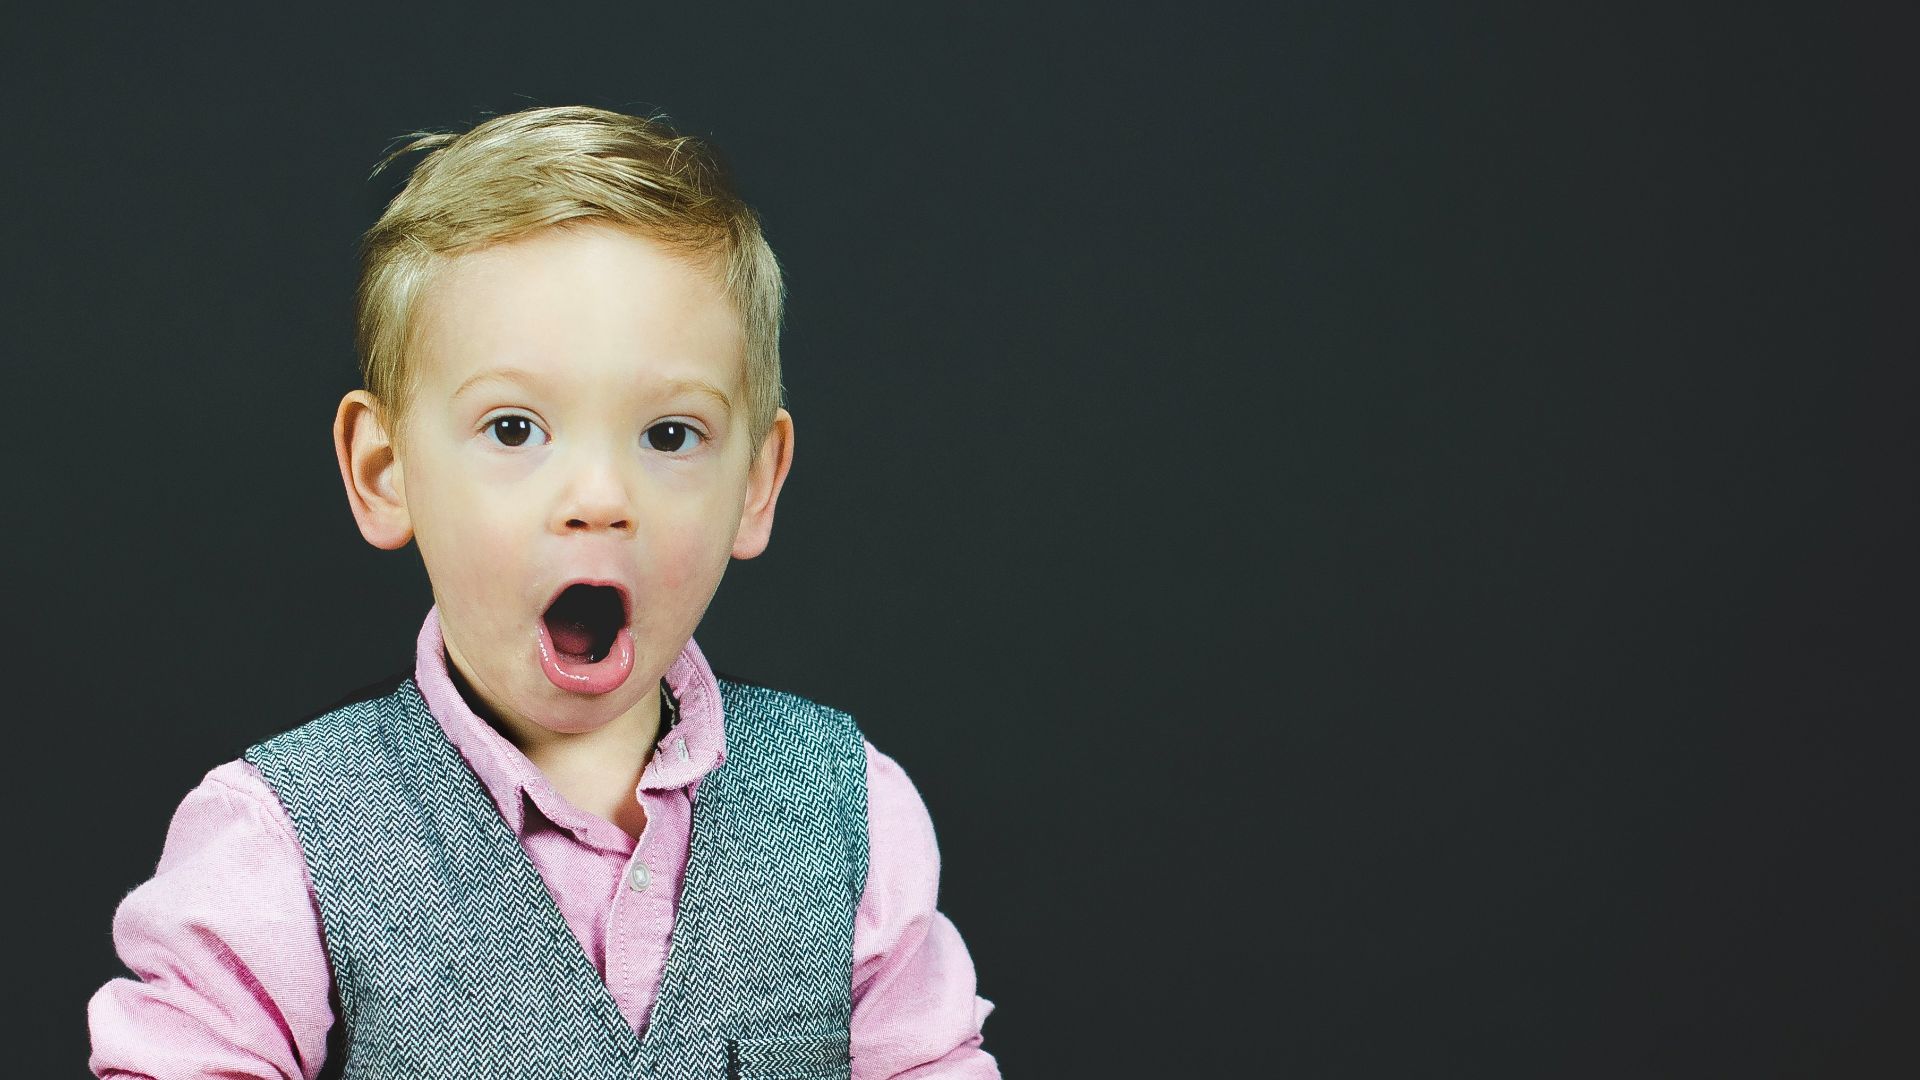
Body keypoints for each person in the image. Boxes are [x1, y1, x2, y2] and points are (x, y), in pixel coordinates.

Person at [87, 105, 999, 1079]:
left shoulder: (848, 811)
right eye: (516, 429)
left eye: (669, 435)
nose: (600, 499)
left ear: (757, 485)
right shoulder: (280, 847)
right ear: (386, 469)